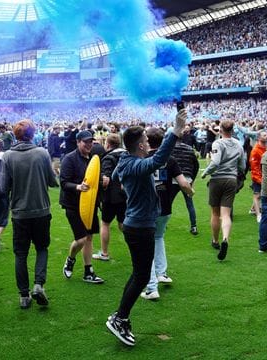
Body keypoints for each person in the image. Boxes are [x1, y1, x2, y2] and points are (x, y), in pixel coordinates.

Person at [105, 108, 186, 347]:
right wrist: (175, 131)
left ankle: (120, 317)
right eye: (145, 141)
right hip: (139, 227)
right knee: (141, 276)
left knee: (139, 274)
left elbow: (122, 179)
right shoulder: (133, 165)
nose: (147, 143)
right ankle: (119, 318)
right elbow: (158, 160)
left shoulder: (129, 161)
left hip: (140, 224)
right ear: (139, 146)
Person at [0, 119, 58, 309]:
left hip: (19, 213)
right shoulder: (42, 153)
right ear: (32, 134)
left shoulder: (8, 156)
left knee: (21, 254)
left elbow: (3, 187)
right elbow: (52, 181)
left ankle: (24, 295)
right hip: (41, 210)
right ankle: (39, 284)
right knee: (42, 248)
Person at [140, 127, 194, 301]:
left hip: (148, 209)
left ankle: (151, 287)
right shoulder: (169, 160)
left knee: (147, 246)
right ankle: (161, 273)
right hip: (165, 207)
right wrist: (190, 192)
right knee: (159, 238)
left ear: (147, 142)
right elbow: (183, 183)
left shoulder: (142, 159)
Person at [60, 130, 104, 284]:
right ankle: (71, 259)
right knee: (81, 239)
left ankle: (88, 271)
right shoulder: (69, 159)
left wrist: (102, 182)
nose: (89, 144)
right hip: (72, 205)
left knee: (89, 237)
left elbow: (93, 184)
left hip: (90, 205)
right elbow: (64, 182)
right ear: (78, 142)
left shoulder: (92, 159)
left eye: (91, 141)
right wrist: (78, 187)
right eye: (85, 142)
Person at [201, 120, 245, 261]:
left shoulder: (217, 143)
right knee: (226, 214)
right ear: (232, 130)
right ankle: (226, 238)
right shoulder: (239, 144)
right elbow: (242, 165)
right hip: (231, 179)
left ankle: (215, 240)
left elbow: (215, 162)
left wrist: (205, 172)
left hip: (217, 179)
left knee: (215, 212)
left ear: (220, 130)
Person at [94, 133, 126, 262]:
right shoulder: (127, 154)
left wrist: (101, 182)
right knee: (123, 224)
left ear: (107, 144)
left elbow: (106, 179)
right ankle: (136, 248)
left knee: (105, 223)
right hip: (125, 195)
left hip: (111, 197)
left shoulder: (108, 158)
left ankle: (104, 253)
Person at [171, 134, 199, 235]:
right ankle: (194, 226)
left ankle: (163, 224)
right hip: (187, 179)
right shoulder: (189, 149)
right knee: (190, 204)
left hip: (174, 179)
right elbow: (196, 165)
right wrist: (192, 179)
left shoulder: (170, 148)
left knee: (168, 203)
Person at [249, 130, 267, 223]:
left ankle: (253, 209)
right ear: (259, 138)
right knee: (257, 195)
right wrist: (259, 179)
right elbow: (254, 167)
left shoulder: (266, 148)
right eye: (264, 135)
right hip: (258, 176)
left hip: (265, 175)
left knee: (260, 195)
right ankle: (258, 214)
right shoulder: (255, 150)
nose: (266, 136)